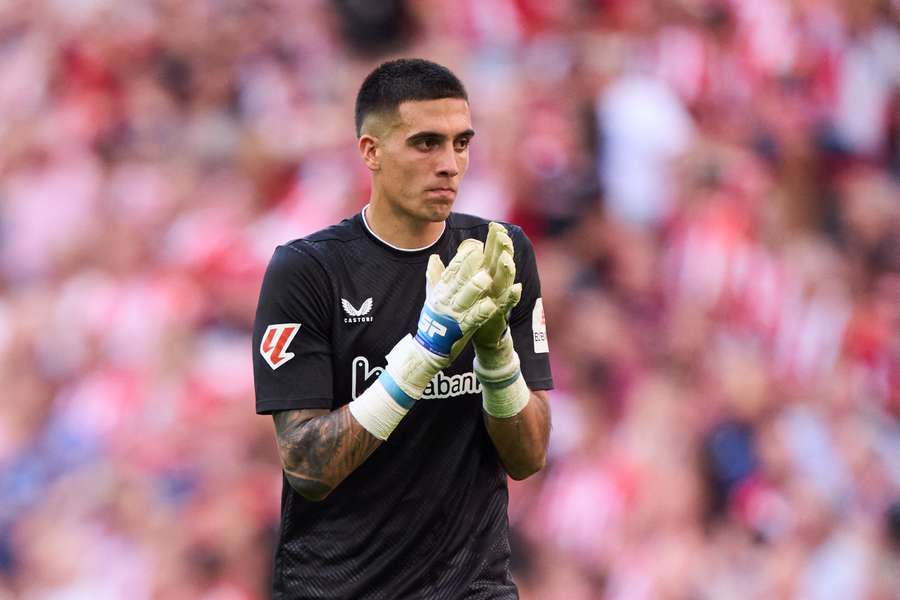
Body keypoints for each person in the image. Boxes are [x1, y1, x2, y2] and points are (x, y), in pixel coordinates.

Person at [252, 58, 553, 599]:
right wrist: (423, 355)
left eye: (461, 143)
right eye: (426, 143)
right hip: (341, 587)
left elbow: (528, 457)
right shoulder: (307, 270)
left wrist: (496, 353)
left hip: (472, 587)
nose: (450, 164)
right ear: (371, 151)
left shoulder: (495, 257)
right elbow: (306, 466)